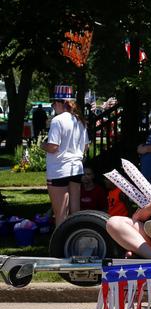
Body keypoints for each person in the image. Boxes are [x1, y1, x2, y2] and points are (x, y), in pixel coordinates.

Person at [41, 85, 89, 226]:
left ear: (60, 103)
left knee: (60, 213)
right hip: (76, 168)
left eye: (54, 103)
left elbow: (53, 147)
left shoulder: (57, 120)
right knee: (75, 211)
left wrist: (42, 145)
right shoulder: (79, 120)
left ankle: (60, 245)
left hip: (58, 169)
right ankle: (75, 242)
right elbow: (86, 146)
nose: (53, 106)